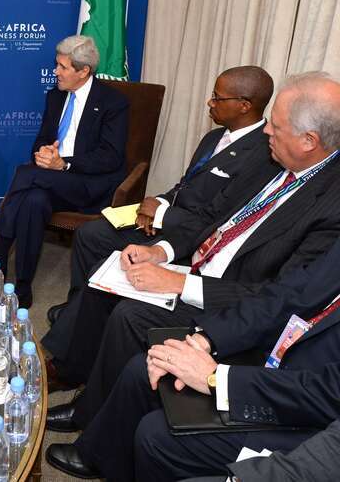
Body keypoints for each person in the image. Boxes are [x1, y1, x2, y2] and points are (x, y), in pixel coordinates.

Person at [44, 71, 340, 434]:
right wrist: (161, 252)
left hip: (231, 299)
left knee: (129, 315)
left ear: (309, 141)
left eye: (275, 127)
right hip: (198, 263)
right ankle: (76, 374)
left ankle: (91, 417)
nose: (266, 131)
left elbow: (279, 295)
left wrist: (178, 283)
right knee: (106, 279)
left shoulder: (330, 206)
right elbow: (212, 216)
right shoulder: (275, 161)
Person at [45, 235, 340, 481]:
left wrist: (217, 380)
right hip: (276, 361)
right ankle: (102, 458)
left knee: (156, 436)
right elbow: (285, 296)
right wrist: (206, 339)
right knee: (147, 367)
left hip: (313, 422)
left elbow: (329, 392)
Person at [45, 66, 277, 329]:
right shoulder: (214, 136)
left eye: (217, 97)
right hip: (166, 219)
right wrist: (158, 203)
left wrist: (161, 214)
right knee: (90, 234)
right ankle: (79, 309)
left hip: (191, 237)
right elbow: (185, 185)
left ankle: (85, 318)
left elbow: (220, 218)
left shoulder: (262, 155)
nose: (210, 102)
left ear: (244, 105)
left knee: (101, 244)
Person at [0, 35, 129, 307]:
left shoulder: (113, 102)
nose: (56, 72)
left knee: (25, 173)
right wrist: (44, 154)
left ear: (83, 71)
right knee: (33, 200)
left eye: (63, 67)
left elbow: (110, 157)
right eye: (56, 65)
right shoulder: (56, 96)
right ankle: (23, 289)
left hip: (88, 185)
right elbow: (41, 140)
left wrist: (64, 163)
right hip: (50, 179)